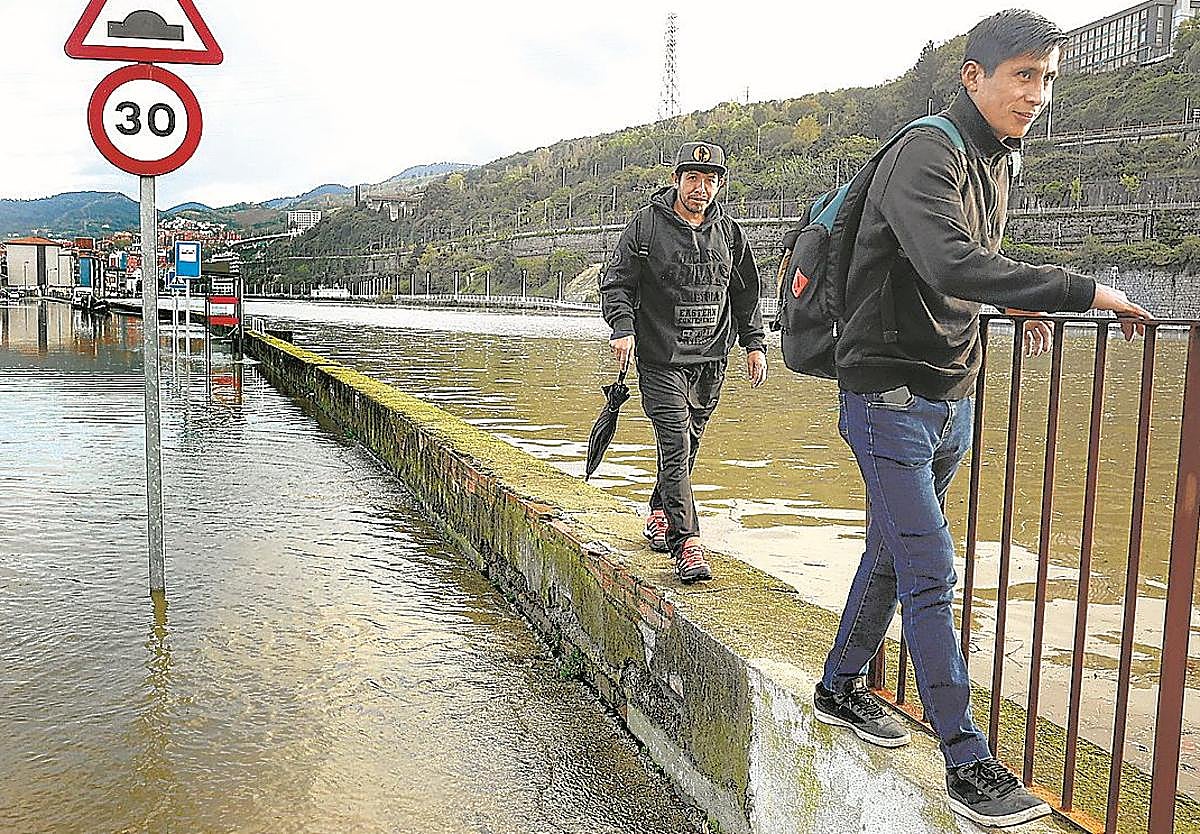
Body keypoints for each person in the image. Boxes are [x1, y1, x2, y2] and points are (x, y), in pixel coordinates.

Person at [811, 9, 1151, 829]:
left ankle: (837, 687)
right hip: (887, 395)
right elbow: (947, 260)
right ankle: (968, 764)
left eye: (1048, 79)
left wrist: (1013, 303)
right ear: (974, 76)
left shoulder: (998, 158)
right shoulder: (926, 150)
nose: (1038, 94)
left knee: (894, 554)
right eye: (1024, 75)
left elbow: (966, 266)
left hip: (948, 395)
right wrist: (1080, 291)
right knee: (931, 570)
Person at [600, 141, 767, 583]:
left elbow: (745, 294)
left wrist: (754, 344)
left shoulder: (730, 233)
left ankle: (660, 510)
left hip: (712, 359)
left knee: (687, 446)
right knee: (675, 443)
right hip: (661, 359)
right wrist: (622, 327)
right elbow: (616, 283)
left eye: (710, 180)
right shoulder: (647, 226)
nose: (701, 188)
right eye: (692, 178)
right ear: (676, 180)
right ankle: (687, 543)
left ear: (720, 185)